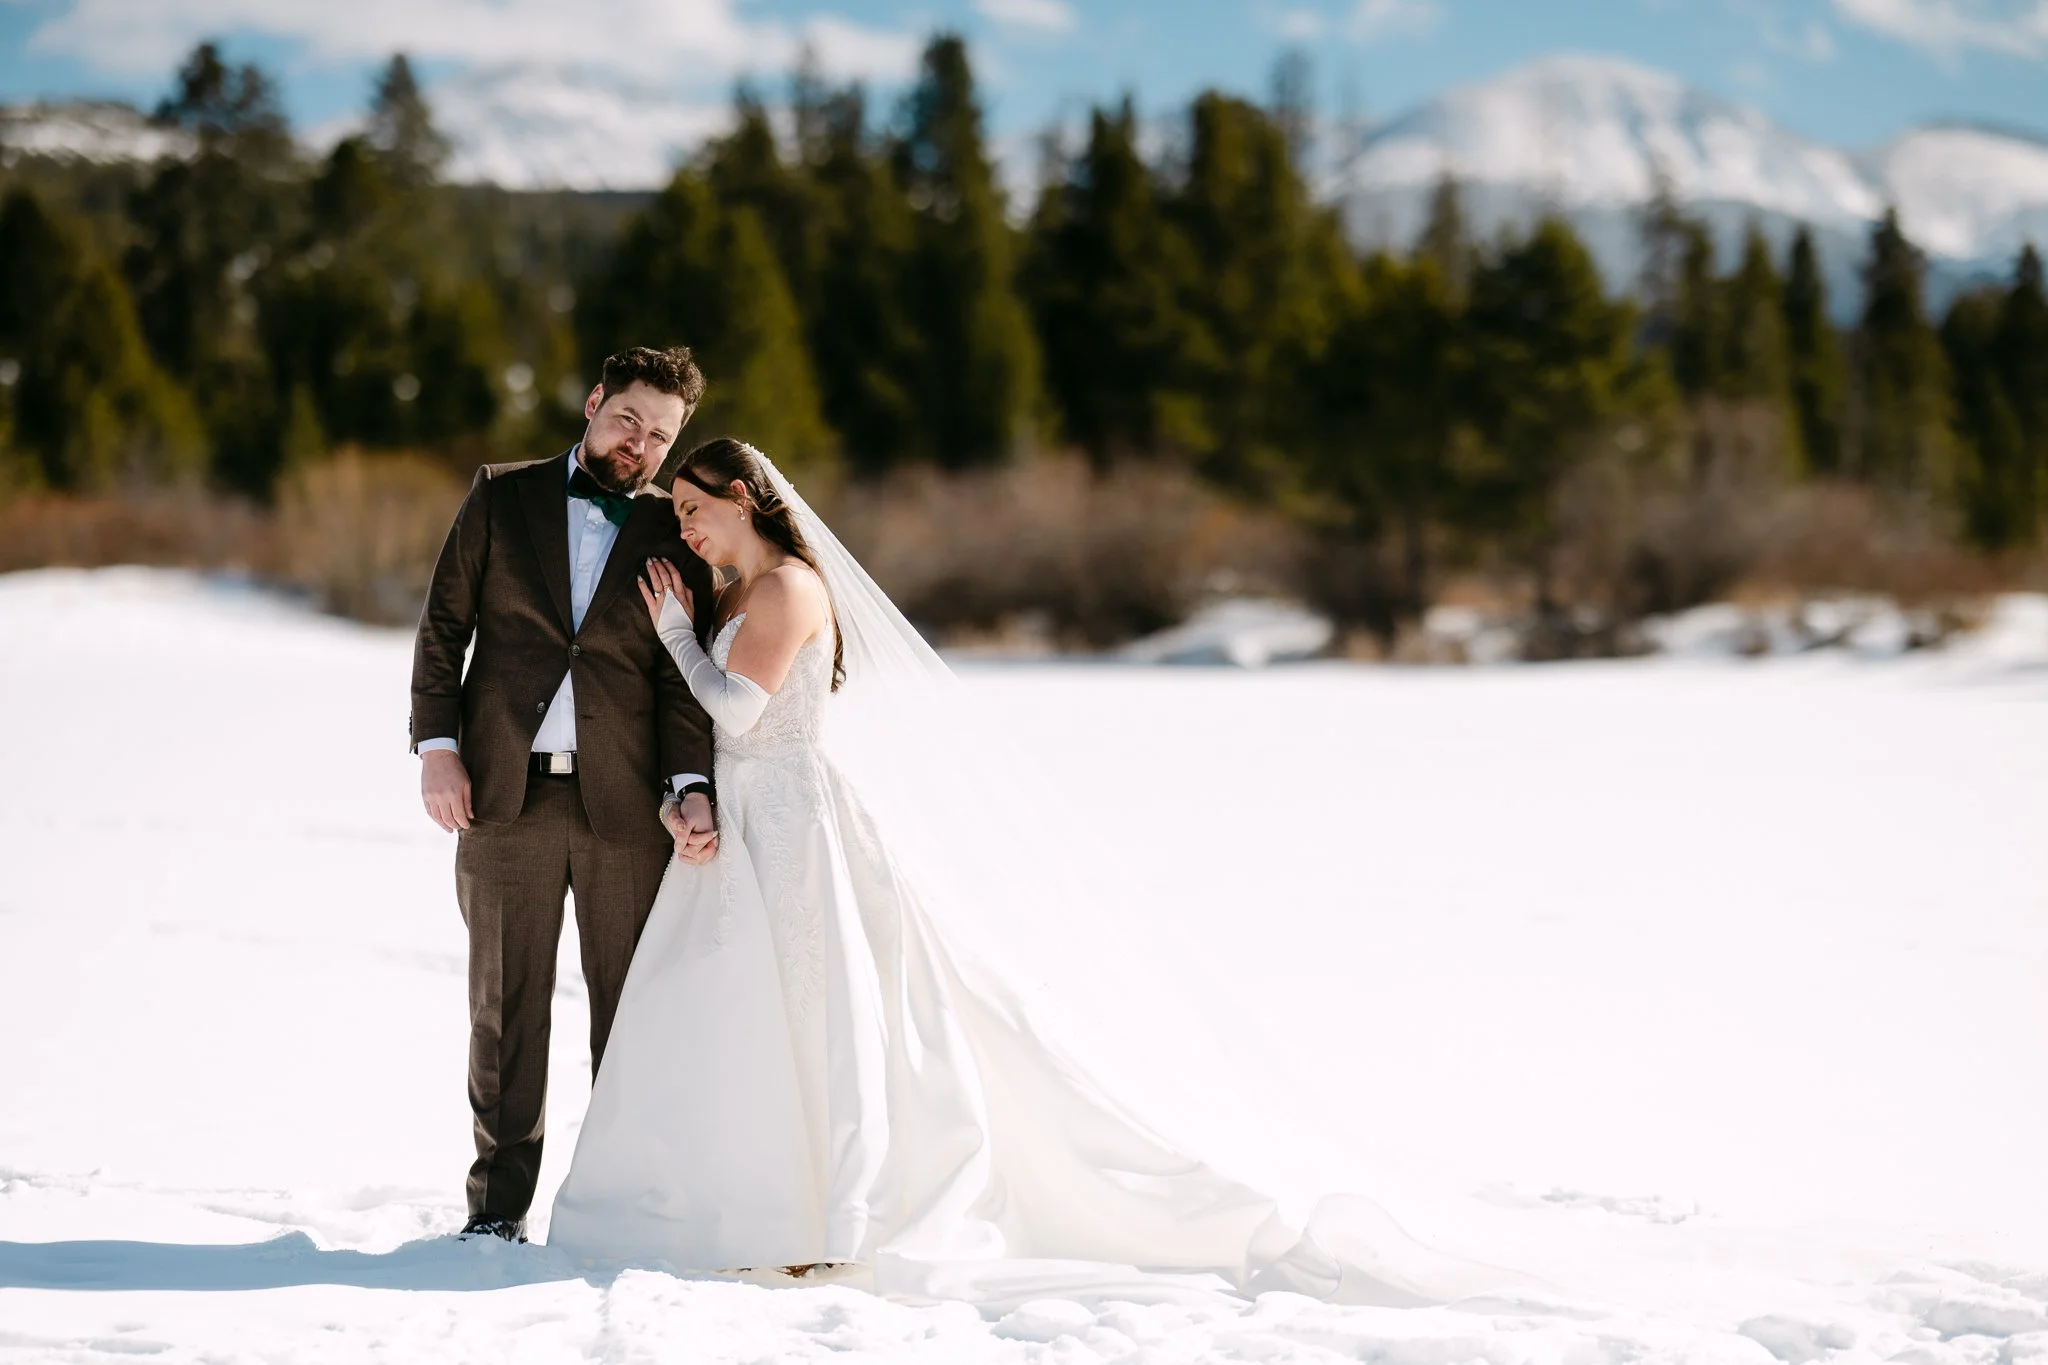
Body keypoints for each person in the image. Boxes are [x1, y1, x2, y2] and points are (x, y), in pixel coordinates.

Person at [548, 437, 1497, 1305]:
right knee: (741, 1004)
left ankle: (836, 1207)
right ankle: (745, 1194)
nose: (683, 524)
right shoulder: (737, 591)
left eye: (692, 507)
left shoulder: (789, 587)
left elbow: (742, 713)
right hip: (746, 818)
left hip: (792, 821)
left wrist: (675, 631)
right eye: (676, 511)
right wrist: (690, 789)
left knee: (818, 1000)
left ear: (745, 498)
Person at [409, 346, 722, 1244]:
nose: (641, 445)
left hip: (629, 813)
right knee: (505, 1010)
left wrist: (690, 784)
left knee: (632, 1014)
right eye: (629, 419)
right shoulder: (502, 495)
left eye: (661, 434)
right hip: (503, 799)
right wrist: (438, 747)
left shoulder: (676, 529)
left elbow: (678, 680)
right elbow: (443, 629)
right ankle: (496, 1210)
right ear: (593, 403)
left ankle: (622, 1207)